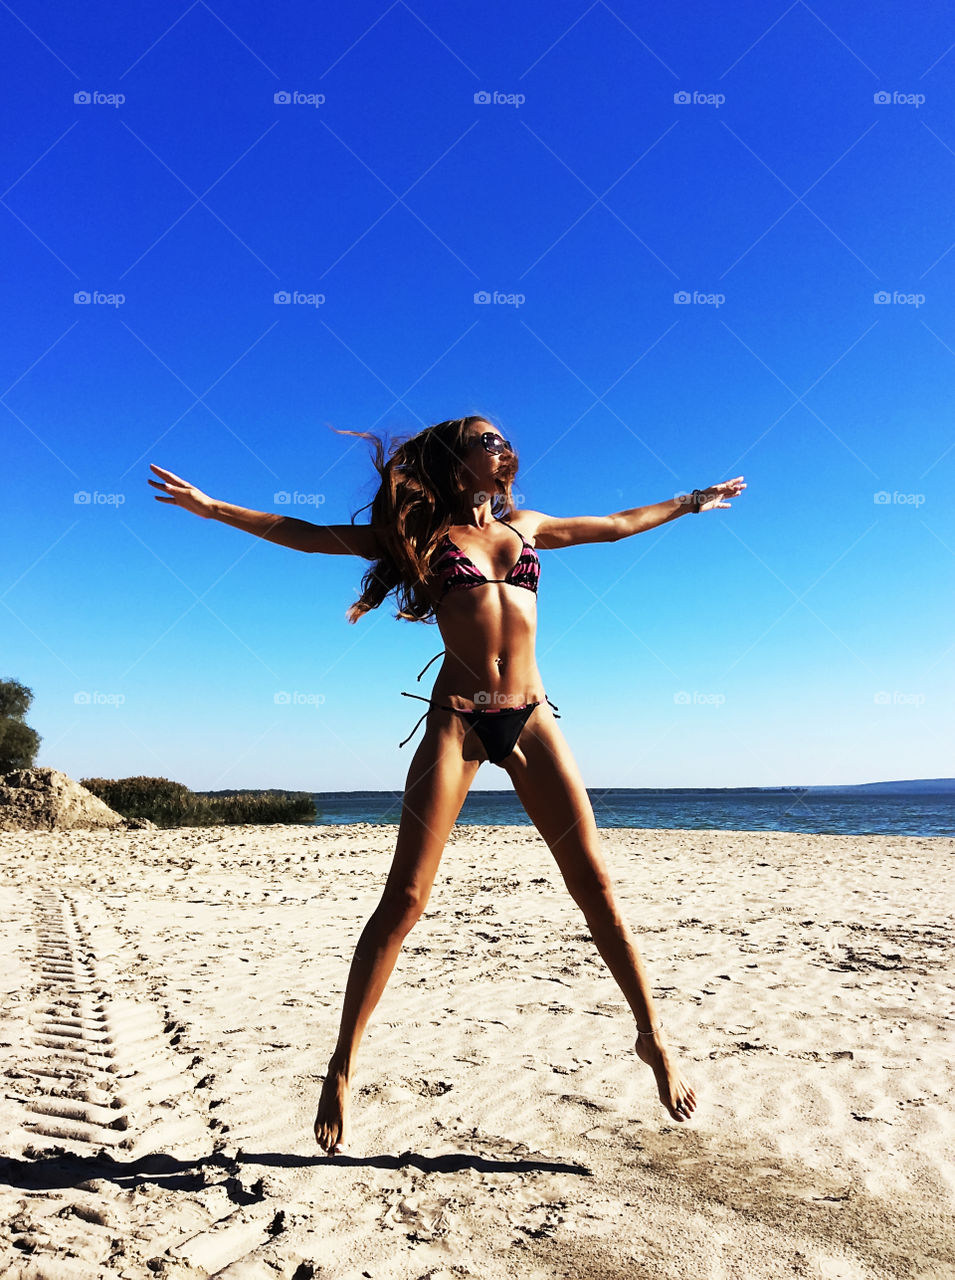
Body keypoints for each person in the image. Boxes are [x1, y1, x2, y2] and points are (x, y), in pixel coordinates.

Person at [149, 416, 746, 1154]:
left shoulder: (526, 527)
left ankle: (652, 1040)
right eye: (484, 440)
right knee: (404, 899)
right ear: (451, 460)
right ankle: (341, 1065)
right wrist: (214, 509)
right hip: (458, 722)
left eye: (503, 440)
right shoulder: (421, 537)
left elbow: (619, 524)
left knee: (594, 885)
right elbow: (305, 535)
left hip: (530, 718)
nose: (501, 448)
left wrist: (689, 501)